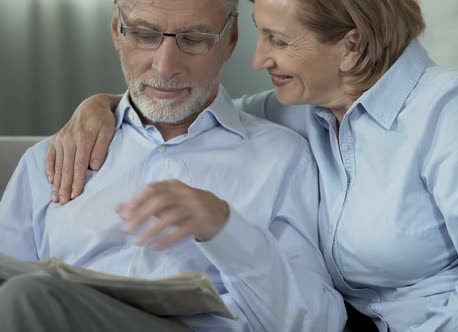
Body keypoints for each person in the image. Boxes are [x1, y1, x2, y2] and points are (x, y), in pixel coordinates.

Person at [47, 0, 458, 331]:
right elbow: (185, 108)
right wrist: (101, 107)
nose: (259, 60)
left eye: (278, 41)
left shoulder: (449, 109)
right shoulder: (297, 110)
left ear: (351, 46)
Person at [0, 0, 348, 331]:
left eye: (194, 39)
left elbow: (318, 324)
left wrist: (226, 229)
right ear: (116, 30)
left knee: (27, 296)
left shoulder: (284, 158)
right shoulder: (51, 159)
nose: (165, 67)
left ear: (230, 39)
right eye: (145, 35)